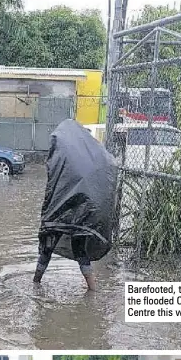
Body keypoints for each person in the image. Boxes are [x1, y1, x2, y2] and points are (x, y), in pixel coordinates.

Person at [34, 119, 118, 291]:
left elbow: (52, 184)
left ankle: (36, 283)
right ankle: (92, 291)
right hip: (81, 214)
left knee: (47, 248)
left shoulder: (63, 155)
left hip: (59, 212)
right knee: (80, 250)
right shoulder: (93, 157)